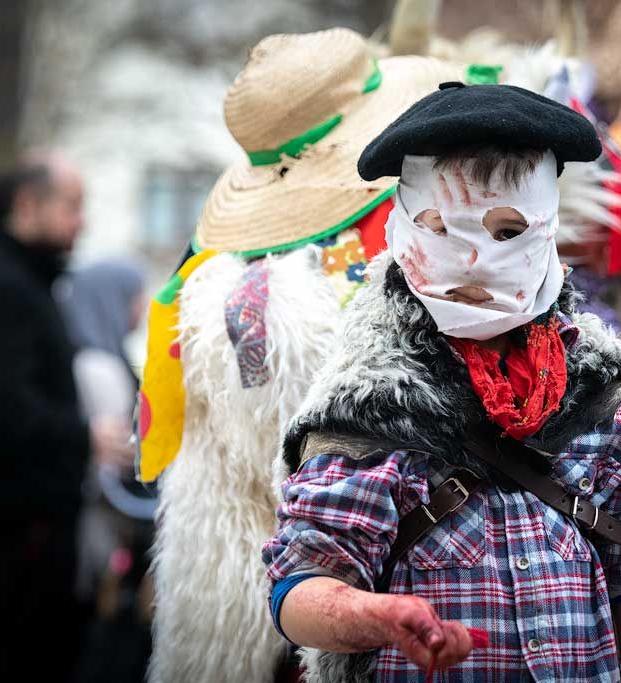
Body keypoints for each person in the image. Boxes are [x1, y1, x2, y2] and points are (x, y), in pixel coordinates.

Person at [263, 83, 621, 682]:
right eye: (443, 229)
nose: (475, 262)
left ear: (547, 232)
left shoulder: (602, 406)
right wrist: (374, 616)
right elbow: (300, 586)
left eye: (507, 231)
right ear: (404, 230)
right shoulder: (367, 413)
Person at [138, 30, 467, 683]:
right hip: (403, 586)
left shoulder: (207, 276)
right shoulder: (396, 241)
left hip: (272, 590)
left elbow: (220, 508)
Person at [0, 153, 133, 682]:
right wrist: (86, 437)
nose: (83, 223)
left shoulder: (18, 284)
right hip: (8, 542)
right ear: (26, 206)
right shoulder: (2, 291)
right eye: (72, 206)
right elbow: (6, 407)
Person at [58, 258, 155, 683]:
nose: (141, 308)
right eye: (135, 297)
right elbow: (118, 459)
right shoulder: (101, 368)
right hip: (103, 527)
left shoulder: (85, 358)